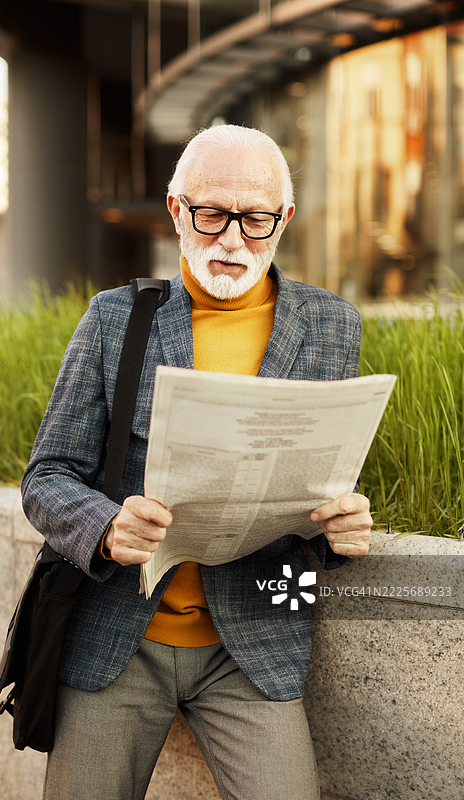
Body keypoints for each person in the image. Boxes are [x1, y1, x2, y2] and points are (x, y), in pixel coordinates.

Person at [22, 124, 372, 800]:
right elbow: (47, 476)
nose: (233, 239)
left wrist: (344, 526)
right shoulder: (116, 318)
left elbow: (328, 480)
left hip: (255, 640)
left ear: (284, 219)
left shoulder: (332, 325)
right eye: (211, 213)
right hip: (117, 637)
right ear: (176, 210)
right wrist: (106, 526)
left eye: (256, 219)